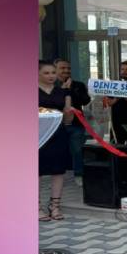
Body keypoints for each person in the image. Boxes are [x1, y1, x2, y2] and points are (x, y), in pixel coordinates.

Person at [39, 60, 74, 221]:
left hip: (58, 133)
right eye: (46, 73)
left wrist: (70, 113)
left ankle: (55, 206)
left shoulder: (63, 92)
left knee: (58, 170)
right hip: (37, 135)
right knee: (36, 171)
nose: (51, 76)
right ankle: (36, 207)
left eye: (53, 72)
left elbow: (68, 117)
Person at [55, 58, 91, 186]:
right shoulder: (51, 85)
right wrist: (62, 90)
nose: (66, 70)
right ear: (55, 69)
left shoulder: (78, 85)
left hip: (76, 124)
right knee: (57, 151)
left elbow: (85, 101)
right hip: (56, 125)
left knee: (77, 150)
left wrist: (70, 90)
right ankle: (56, 177)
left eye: (68, 68)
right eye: (62, 68)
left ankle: (79, 175)